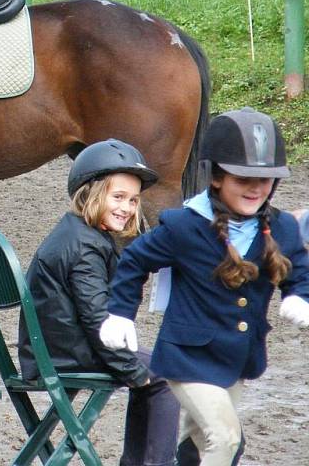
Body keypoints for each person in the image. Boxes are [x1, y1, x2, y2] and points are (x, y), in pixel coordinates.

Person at [100, 107, 309, 466]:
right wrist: (120, 314)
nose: (256, 188)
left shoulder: (282, 229)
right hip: (186, 357)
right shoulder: (184, 225)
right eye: (243, 179)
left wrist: (299, 296)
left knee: (196, 444)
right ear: (216, 177)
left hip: (237, 357)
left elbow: (299, 270)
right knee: (225, 439)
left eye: (266, 179)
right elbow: (135, 260)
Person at [17, 139, 180, 466]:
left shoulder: (79, 233)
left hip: (56, 349)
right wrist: (134, 371)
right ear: (89, 194)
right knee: (168, 374)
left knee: (158, 367)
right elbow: (97, 322)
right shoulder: (85, 248)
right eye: (118, 197)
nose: (128, 208)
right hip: (66, 355)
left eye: (134, 200)